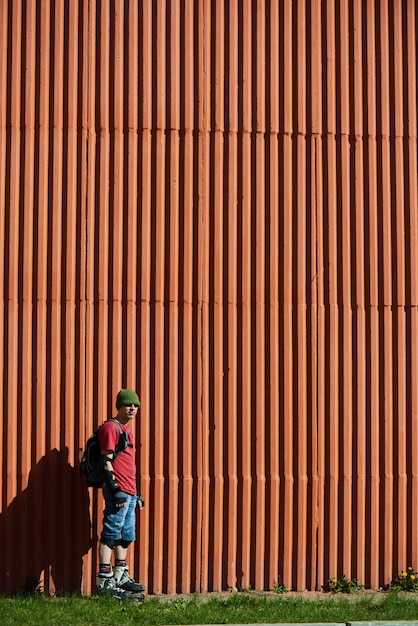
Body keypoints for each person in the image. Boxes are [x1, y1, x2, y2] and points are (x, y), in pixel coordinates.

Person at [95, 388, 145, 600]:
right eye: (128, 405)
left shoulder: (126, 430)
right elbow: (106, 460)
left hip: (129, 491)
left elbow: (127, 464)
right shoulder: (111, 427)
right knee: (111, 533)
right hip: (119, 490)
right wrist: (115, 490)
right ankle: (104, 580)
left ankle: (120, 575)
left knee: (126, 535)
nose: (132, 408)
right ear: (119, 406)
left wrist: (136, 494)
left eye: (135, 405)